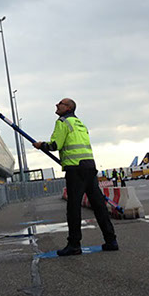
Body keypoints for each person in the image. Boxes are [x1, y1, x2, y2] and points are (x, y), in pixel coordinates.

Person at [33, 98, 118, 256]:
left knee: (73, 207)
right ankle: (111, 240)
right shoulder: (80, 123)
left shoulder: (63, 122)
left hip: (75, 169)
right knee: (99, 205)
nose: (56, 105)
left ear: (68, 108)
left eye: (60, 103)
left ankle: (74, 244)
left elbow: (54, 145)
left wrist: (40, 146)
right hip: (90, 167)